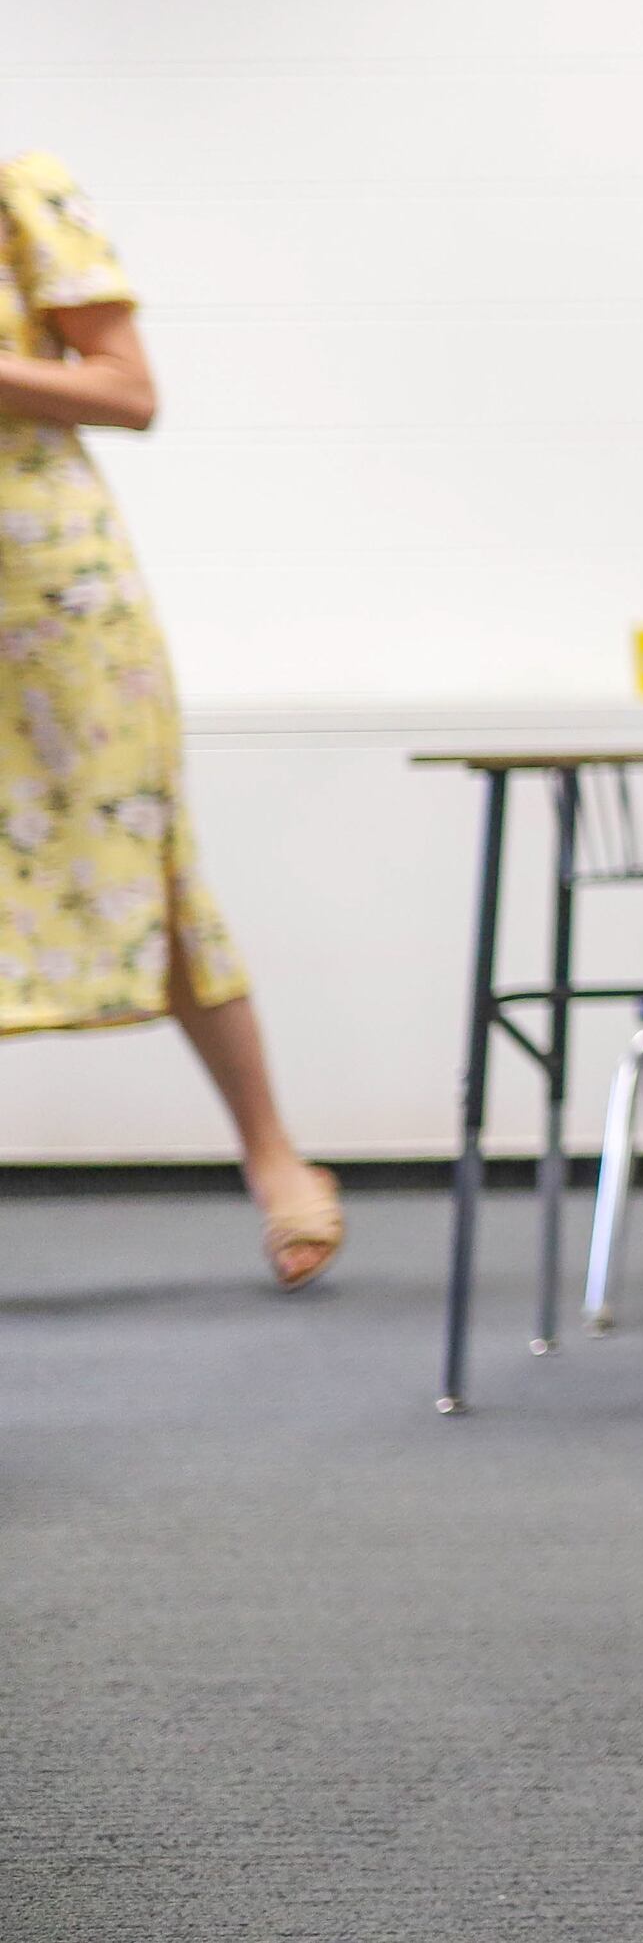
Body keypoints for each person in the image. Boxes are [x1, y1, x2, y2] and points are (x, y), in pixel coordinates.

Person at [0, 154, 340, 1290]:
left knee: (143, 861)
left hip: (47, 597)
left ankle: (274, 1154)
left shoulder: (19, 190)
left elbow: (128, 390)